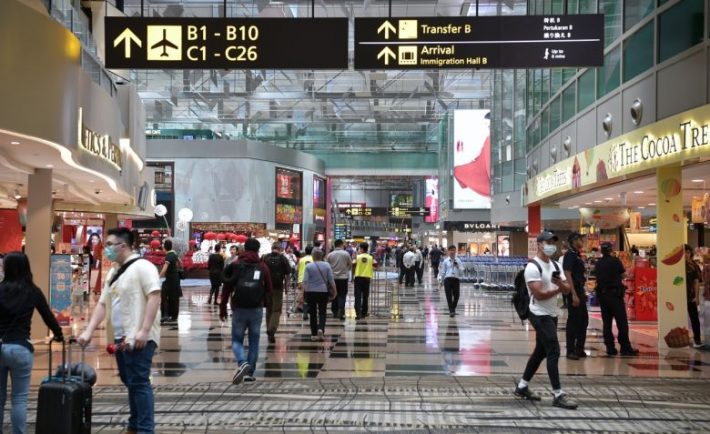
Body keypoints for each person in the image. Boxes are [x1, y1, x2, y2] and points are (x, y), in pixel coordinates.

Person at [78, 227, 162, 433]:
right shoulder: (115, 271)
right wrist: (89, 331)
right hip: (120, 338)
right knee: (130, 381)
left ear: (122, 246)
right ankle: (135, 424)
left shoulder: (144, 267)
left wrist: (144, 330)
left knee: (139, 382)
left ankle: (144, 428)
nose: (105, 249)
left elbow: (154, 296)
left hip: (139, 337)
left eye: (108, 245)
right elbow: (103, 304)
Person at [0, 252, 64, 434]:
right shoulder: (32, 290)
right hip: (20, 348)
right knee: (19, 399)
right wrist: (58, 335)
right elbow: (48, 317)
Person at [514, 231, 577, 410]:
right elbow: (539, 295)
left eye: (553, 242)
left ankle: (522, 386)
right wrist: (559, 288)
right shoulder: (533, 267)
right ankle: (558, 394)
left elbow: (566, 289)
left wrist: (560, 286)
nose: (551, 245)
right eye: (548, 242)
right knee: (554, 350)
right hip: (538, 313)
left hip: (552, 313)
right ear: (540, 244)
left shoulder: (556, 265)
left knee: (541, 351)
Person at [219, 238, 272, 384]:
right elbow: (269, 288)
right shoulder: (262, 266)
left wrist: (222, 307)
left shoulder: (236, 264)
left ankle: (242, 362)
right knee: (254, 341)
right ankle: (249, 373)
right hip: (256, 308)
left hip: (239, 307)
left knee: (237, 340)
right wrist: (267, 304)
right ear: (258, 250)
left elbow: (227, 287)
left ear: (244, 249)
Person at [594, 242, 638, 356]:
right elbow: (623, 275)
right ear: (610, 250)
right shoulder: (615, 261)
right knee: (621, 322)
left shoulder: (598, 263)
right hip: (615, 296)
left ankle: (610, 348)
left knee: (607, 323)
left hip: (602, 296)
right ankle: (625, 348)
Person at [563, 232, 589, 360]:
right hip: (575, 290)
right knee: (573, 321)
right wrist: (573, 294)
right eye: (579, 239)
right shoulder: (570, 255)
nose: (581, 241)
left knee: (583, 320)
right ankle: (570, 350)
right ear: (573, 241)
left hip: (580, 290)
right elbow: (568, 274)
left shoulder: (577, 255)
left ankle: (580, 348)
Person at [303, 249, 336, 341]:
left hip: (311, 292)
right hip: (323, 292)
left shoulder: (308, 266)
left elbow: (305, 281)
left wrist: (302, 293)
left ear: (313, 256)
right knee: (322, 312)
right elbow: (331, 280)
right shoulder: (327, 265)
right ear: (321, 256)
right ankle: (321, 328)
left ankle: (314, 334)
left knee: (312, 313)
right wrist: (335, 291)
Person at [262, 244, 292, 343]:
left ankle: (269, 329)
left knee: (269, 309)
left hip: (266, 288)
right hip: (278, 287)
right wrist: (287, 287)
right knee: (276, 310)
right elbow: (288, 274)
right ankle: (272, 329)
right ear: (280, 249)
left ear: (271, 249)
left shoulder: (265, 257)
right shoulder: (283, 258)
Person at [326, 239, 352, 320]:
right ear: (341, 244)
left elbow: (327, 266)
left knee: (334, 294)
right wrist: (345, 270)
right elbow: (350, 265)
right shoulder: (346, 254)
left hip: (333, 278)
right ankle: (341, 309)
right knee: (342, 294)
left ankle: (334, 311)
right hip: (343, 278)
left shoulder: (330, 255)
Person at [685, 244, 704, 348]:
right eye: (684, 252)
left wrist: (696, 297)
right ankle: (682, 340)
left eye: (687, 252)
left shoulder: (694, 265)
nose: (686, 254)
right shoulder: (676, 266)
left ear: (690, 253)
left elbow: (696, 282)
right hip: (678, 297)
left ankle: (697, 340)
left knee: (694, 318)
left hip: (690, 296)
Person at [159, 239, 182, 324]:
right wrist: (175, 269)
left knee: (164, 296)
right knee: (174, 297)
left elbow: (164, 269)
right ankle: (174, 316)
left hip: (170, 279)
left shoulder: (168, 256)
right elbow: (181, 263)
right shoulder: (174, 254)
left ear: (165, 247)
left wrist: (158, 277)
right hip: (176, 278)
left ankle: (165, 315)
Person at [438, 245, 463, 317]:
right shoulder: (445, 261)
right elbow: (442, 272)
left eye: (453, 250)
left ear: (455, 251)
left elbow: (462, 273)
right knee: (448, 296)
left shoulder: (458, 260)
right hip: (447, 279)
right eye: (450, 250)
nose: (452, 252)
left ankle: (453, 308)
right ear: (448, 252)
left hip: (456, 279)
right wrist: (440, 282)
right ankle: (451, 311)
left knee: (457, 296)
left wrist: (458, 266)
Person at [353, 242, 375, 320]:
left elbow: (353, 264)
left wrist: (353, 274)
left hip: (358, 278)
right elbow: (376, 264)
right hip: (367, 279)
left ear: (361, 249)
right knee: (365, 296)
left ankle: (357, 313)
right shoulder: (371, 257)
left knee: (357, 296)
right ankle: (364, 313)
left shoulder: (357, 257)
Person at [297, 246, 315, 319]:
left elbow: (297, 269)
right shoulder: (314, 259)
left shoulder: (301, 259)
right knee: (311, 296)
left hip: (301, 280)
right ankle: (309, 310)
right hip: (311, 280)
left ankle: (303, 310)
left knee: (303, 295)